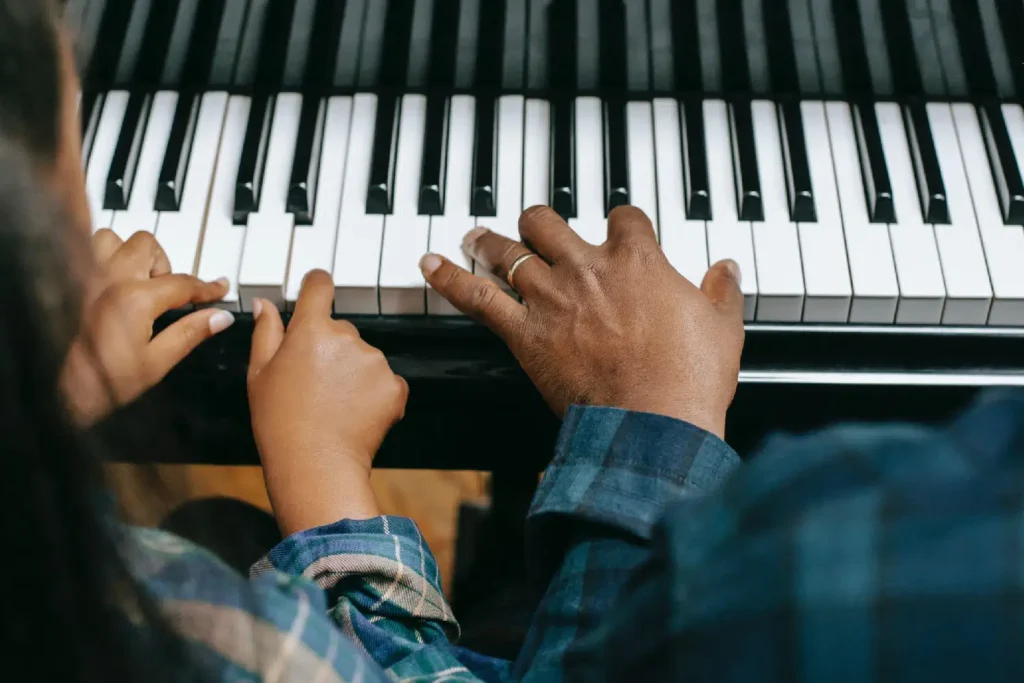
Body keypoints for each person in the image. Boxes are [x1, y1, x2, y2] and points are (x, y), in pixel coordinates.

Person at [6, 2, 1024, 682]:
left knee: (219, 518)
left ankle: (503, 579)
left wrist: (38, 393)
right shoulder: (202, 634)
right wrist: (324, 478)